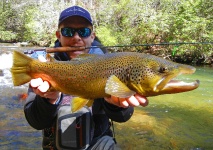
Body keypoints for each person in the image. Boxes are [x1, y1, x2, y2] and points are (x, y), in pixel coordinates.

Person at [24, 5, 149, 150]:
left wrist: (115, 104)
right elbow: (36, 122)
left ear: (92, 36)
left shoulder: (111, 65)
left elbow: (123, 117)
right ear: (58, 35)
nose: (76, 38)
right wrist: (48, 99)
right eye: (68, 31)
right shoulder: (46, 68)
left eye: (83, 31)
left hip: (99, 143)